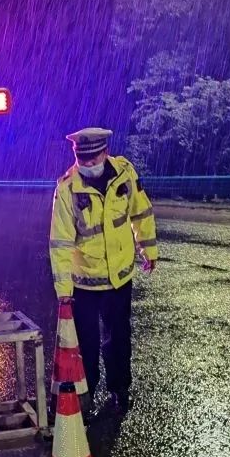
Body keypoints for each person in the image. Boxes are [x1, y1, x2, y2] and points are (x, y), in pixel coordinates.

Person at [49, 127, 158, 416]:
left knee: (119, 339)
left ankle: (120, 390)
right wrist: (64, 291)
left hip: (119, 278)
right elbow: (60, 243)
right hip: (84, 283)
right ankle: (86, 400)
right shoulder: (68, 188)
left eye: (93, 158)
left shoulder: (125, 173)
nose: (88, 164)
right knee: (87, 345)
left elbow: (141, 212)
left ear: (105, 152)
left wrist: (148, 249)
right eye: (82, 159)